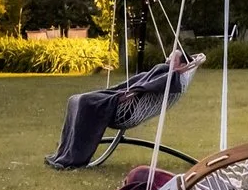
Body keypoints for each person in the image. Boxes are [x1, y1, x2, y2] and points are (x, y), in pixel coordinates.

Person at [46, 47, 197, 170]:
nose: (167, 60)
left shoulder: (171, 76)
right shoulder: (168, 73)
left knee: (84, 101)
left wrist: (131, 93)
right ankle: (65, 152)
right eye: (169, 57)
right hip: (123, 99)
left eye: (173, 59)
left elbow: (147, 85)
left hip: (125, 107)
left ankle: (73, 157)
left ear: (182, 66)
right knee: (74, 99)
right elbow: (144, 81)